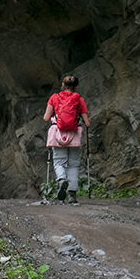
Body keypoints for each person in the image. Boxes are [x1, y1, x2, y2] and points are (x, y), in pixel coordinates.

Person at [43, 74, 90, 204]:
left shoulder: (54, 98)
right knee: (74, 164)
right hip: (74, 135)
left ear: (63, 85)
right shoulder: (79, 100)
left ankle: (61, 179)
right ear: (77, 87)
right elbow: (87, 123)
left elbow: (46, 118)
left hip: (58, 134)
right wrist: (86, 120)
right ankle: (72, 195)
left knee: (59, 162)